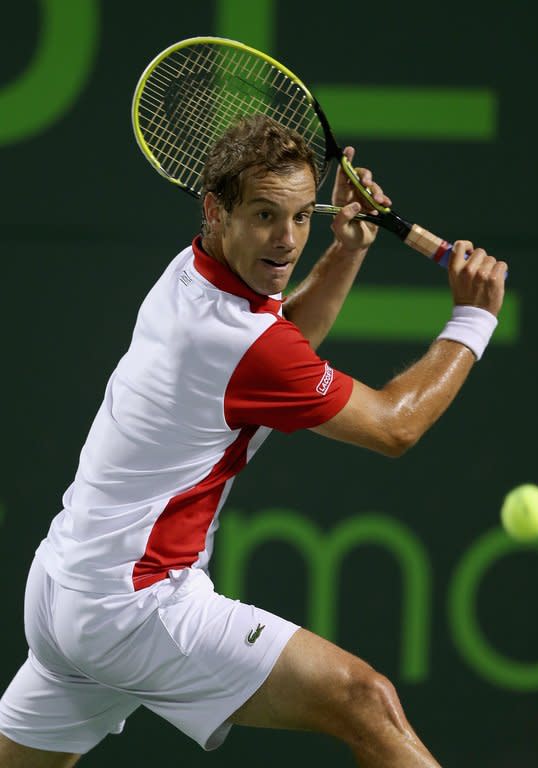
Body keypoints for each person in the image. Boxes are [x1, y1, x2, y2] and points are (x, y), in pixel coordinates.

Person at [0, 114, 507, 768]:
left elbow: (283, 341)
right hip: (135, 606)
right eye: (266, 215)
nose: (287, 239)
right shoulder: (242, 347)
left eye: (301, 216)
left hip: (64, 588)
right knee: (365, 701)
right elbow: (393, 426)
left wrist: (348, 247)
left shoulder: (192, 272)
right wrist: (473, 318)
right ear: (216, 210)